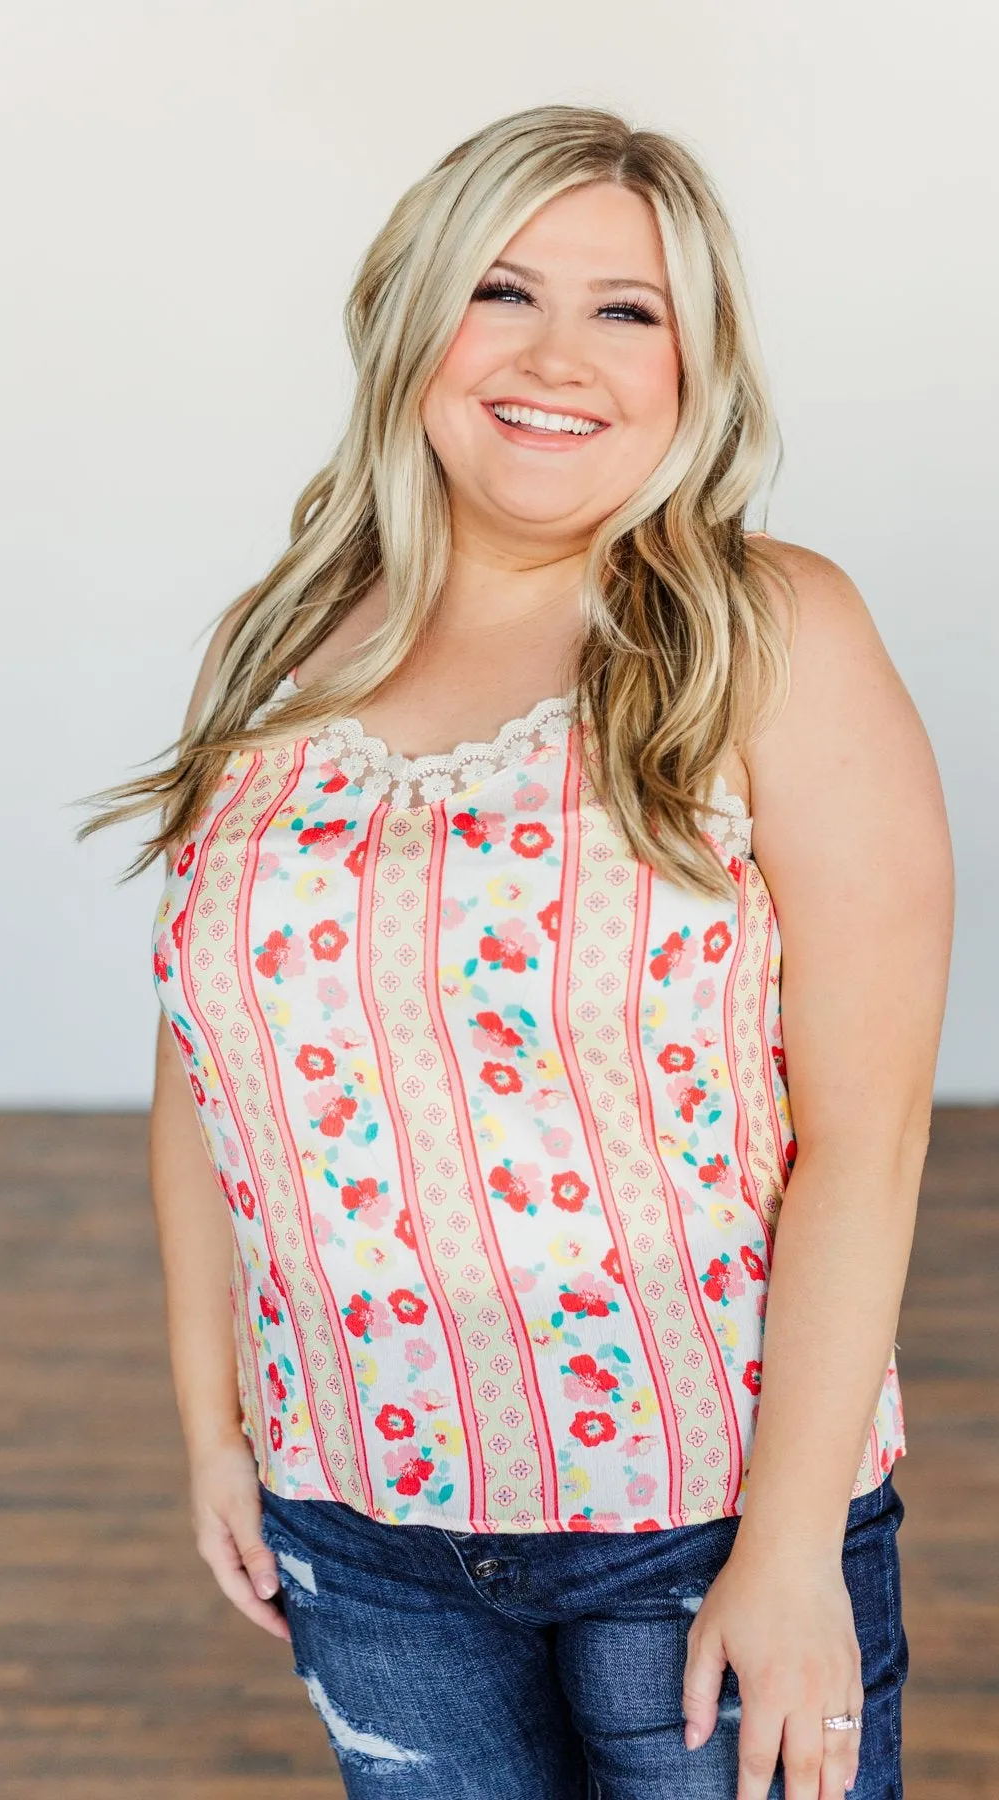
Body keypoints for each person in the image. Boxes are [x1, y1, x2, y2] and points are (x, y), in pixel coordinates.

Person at [81, 104, 953, 1800]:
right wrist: (214, 1423)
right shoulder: (271, 660)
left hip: (695, 1521)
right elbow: (208, 1075)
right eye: (504, 288)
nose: (559, 354)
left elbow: (871, 1136)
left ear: (696, 365)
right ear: (417, 319)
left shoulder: (766, 634)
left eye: (628, 307)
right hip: (366, 1526)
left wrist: (787, 1555)